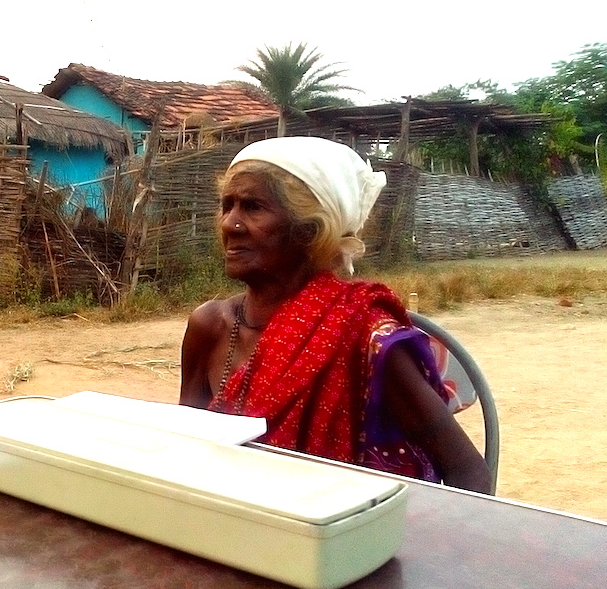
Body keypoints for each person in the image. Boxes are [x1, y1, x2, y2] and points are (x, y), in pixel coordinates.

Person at [179, 137, 492, 494]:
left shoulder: (363, 334)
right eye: (227, 206)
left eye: (253, 207)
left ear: (310, 230)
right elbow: (188, 450)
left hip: (336, 536)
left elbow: (468, 471)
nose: (230, 224)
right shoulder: (209, 327)